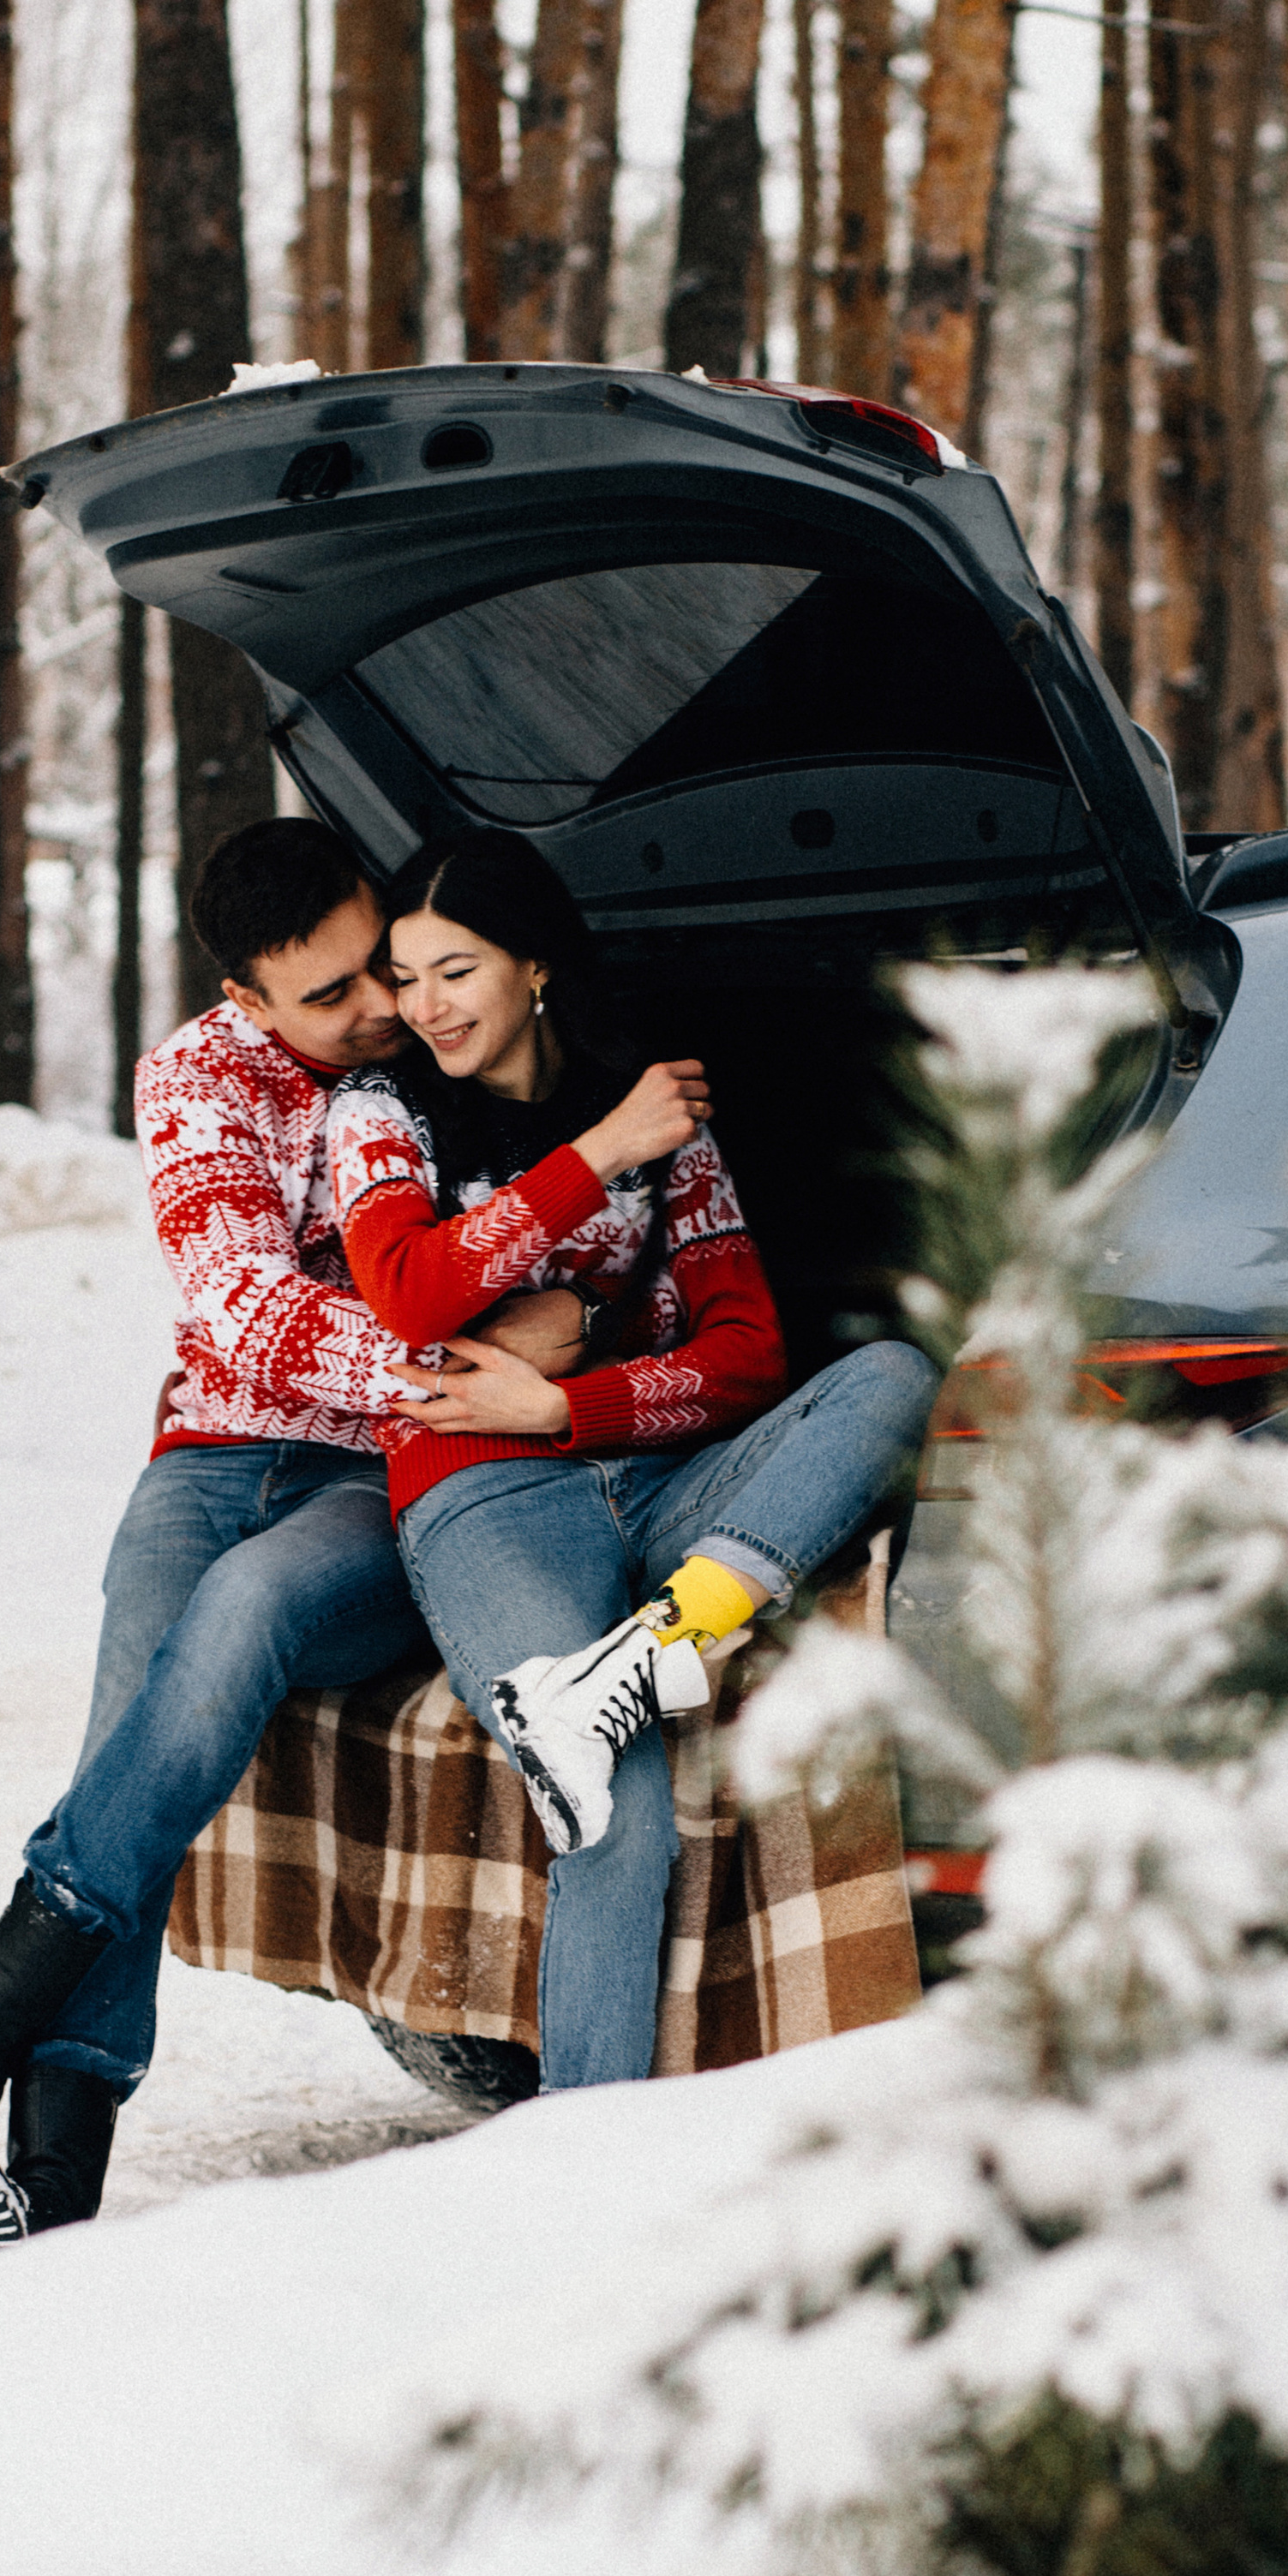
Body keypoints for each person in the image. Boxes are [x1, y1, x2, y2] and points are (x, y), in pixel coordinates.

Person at [0, 820, 574, 2260]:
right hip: (216, 1452)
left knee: (244, 1607)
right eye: (330, 995)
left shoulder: (439, 1050)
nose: (381, 1006)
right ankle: (49, 2190)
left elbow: (537, 1266)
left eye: (380, 966)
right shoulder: (194, 1079)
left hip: (386, 1472)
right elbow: (242, 1304)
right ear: (247, 998)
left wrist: (485, 1364)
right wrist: (454, 1360)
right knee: (128, 1744)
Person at [326, 831, 940, 2095]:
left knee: (892, 1377)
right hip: (483, 1502)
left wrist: (563, 1403)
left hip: (659, 1478)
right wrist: (601, 1152)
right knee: (614, 1806)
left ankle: (655, 1646)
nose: (426, 1006)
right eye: (408, 975)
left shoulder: (660, 1118)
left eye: (457, 971)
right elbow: (411, 1291)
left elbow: (750, 1357)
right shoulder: (383, 1112)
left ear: (535, 966)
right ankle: (584, 2160)